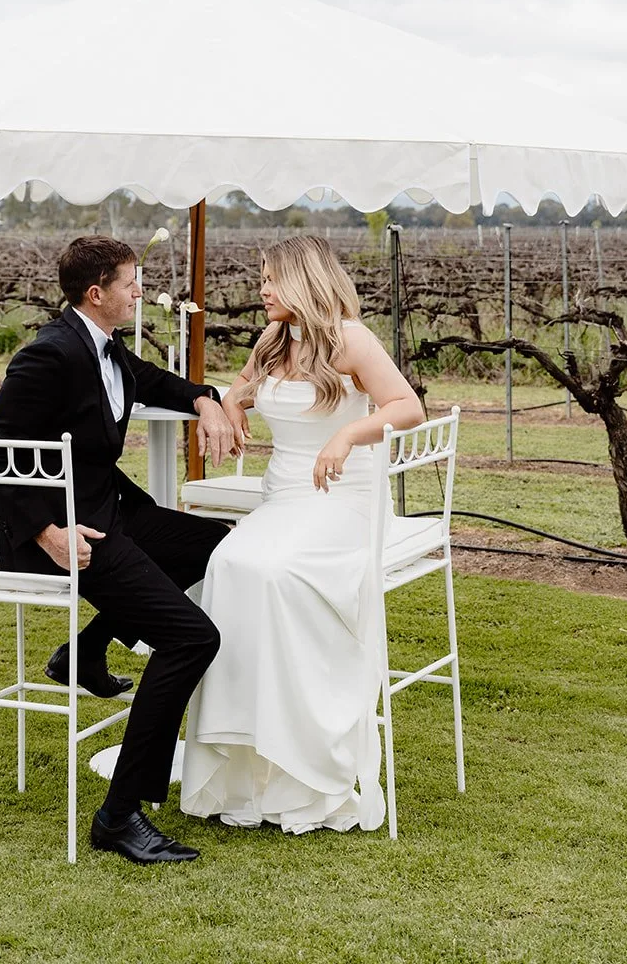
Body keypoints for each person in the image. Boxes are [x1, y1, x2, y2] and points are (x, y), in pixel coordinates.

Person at [0, 235, 240, 865]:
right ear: (97, 293)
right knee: (192, 638)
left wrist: (206, 399)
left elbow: (151, 380)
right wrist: (49, 533)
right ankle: (120, 815)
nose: (140, 292)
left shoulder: (106, 347)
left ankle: (85, 651)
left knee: (216, 546)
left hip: (109, 510)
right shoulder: (50, 355)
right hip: (67, 534)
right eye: (131, 283)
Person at [180, 234, 422, 834]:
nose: (261, 289)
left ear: (303, 280)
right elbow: (238, 389)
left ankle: (308, 750)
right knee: (228, 567)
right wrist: (233, 406)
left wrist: (346, 436)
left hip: (342, 499)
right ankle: (247, 753)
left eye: (270, 278)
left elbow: (407, 407)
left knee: (274, 573)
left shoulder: (349, 338)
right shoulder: (273, 340)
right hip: (283, 498)